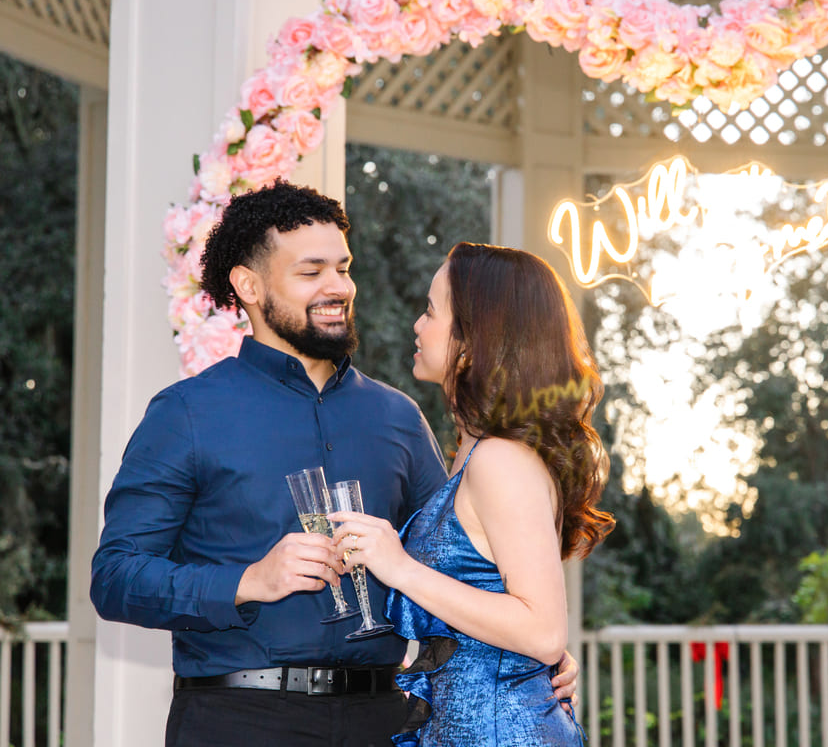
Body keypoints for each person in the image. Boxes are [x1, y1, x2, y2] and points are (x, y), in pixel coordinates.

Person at [90, 181, 576, 747]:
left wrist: (533, 651)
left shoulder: (398, 416)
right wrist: (249, 581)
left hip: (386, 722)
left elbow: (460, 560)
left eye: (343, 268)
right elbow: (116, 577)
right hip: (238, 721)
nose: (338, 287)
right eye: (311, 271)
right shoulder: (186, 413)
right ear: (248, 286)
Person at [328, 242, 615, 746]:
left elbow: (543, 631)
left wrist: (399, 568)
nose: (418, 325)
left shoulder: (501, 459)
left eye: (431, 311)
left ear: (476, 338)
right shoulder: (477, 451)